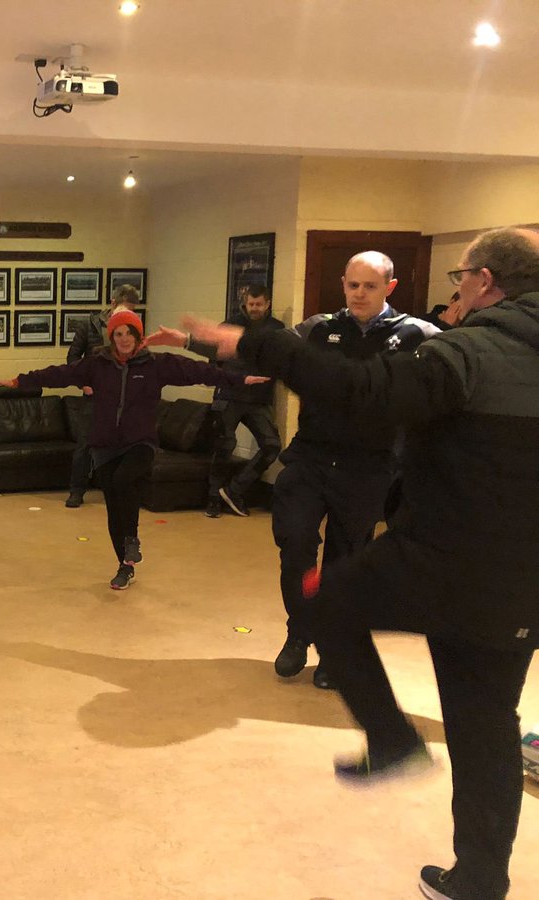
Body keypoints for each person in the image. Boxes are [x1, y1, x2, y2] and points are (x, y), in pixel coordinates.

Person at [182, 225, 539, 900]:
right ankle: (481, 879)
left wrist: (256, 342)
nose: (456, 289)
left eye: (461, 276)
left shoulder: (470, 351)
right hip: (522, 586)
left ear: (486, 282)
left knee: (325, 602)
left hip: (447, 555)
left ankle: (391, 738)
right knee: (489, 721)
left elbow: (360, 395)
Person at [261, 252, 437, 689]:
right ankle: (299, 632)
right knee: (296, 543)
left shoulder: (418, 334)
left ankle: (331, 647)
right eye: (353, 285)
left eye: (370, 286)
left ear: (389, 288)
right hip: (311, 459)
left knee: (345, 561)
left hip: (368, 467)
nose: (359, 294)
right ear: (343, 284)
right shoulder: (318, 327)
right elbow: (272, 351)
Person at [0, 308, 264, 590]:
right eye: (118, 334)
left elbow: (200, 372)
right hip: (104, 444)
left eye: (129, 333)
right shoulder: (97, 364)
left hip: (140, 443)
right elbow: (60, 374)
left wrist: (240, 380)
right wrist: (19, 381)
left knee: (124, 480)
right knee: (114, 502)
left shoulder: (157, 364)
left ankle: (132, 540)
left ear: (138, 336)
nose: (124, 339)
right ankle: (125, 564)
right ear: (112, 337)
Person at [148, 284, 285, 517]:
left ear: (268, 304)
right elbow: (214, 354)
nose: (254, 308)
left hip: (258, 399)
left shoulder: (276, 330)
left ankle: (234, 490)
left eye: (259, 304)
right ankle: (213, 499)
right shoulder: (230, 325)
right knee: (224, 446)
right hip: (229, 394)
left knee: (272, 446)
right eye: (250, 304)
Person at [63, 283, 142, 508]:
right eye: (124, 310)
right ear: (113, 304)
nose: (127, 315)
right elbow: (72, 358)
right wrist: (83, 384)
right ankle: (76, 491)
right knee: (85, 444)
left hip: (123, 397)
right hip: (95, 396)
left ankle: (117, 490)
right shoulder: (90, 324)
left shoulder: (134, 331)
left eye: (131, 312)